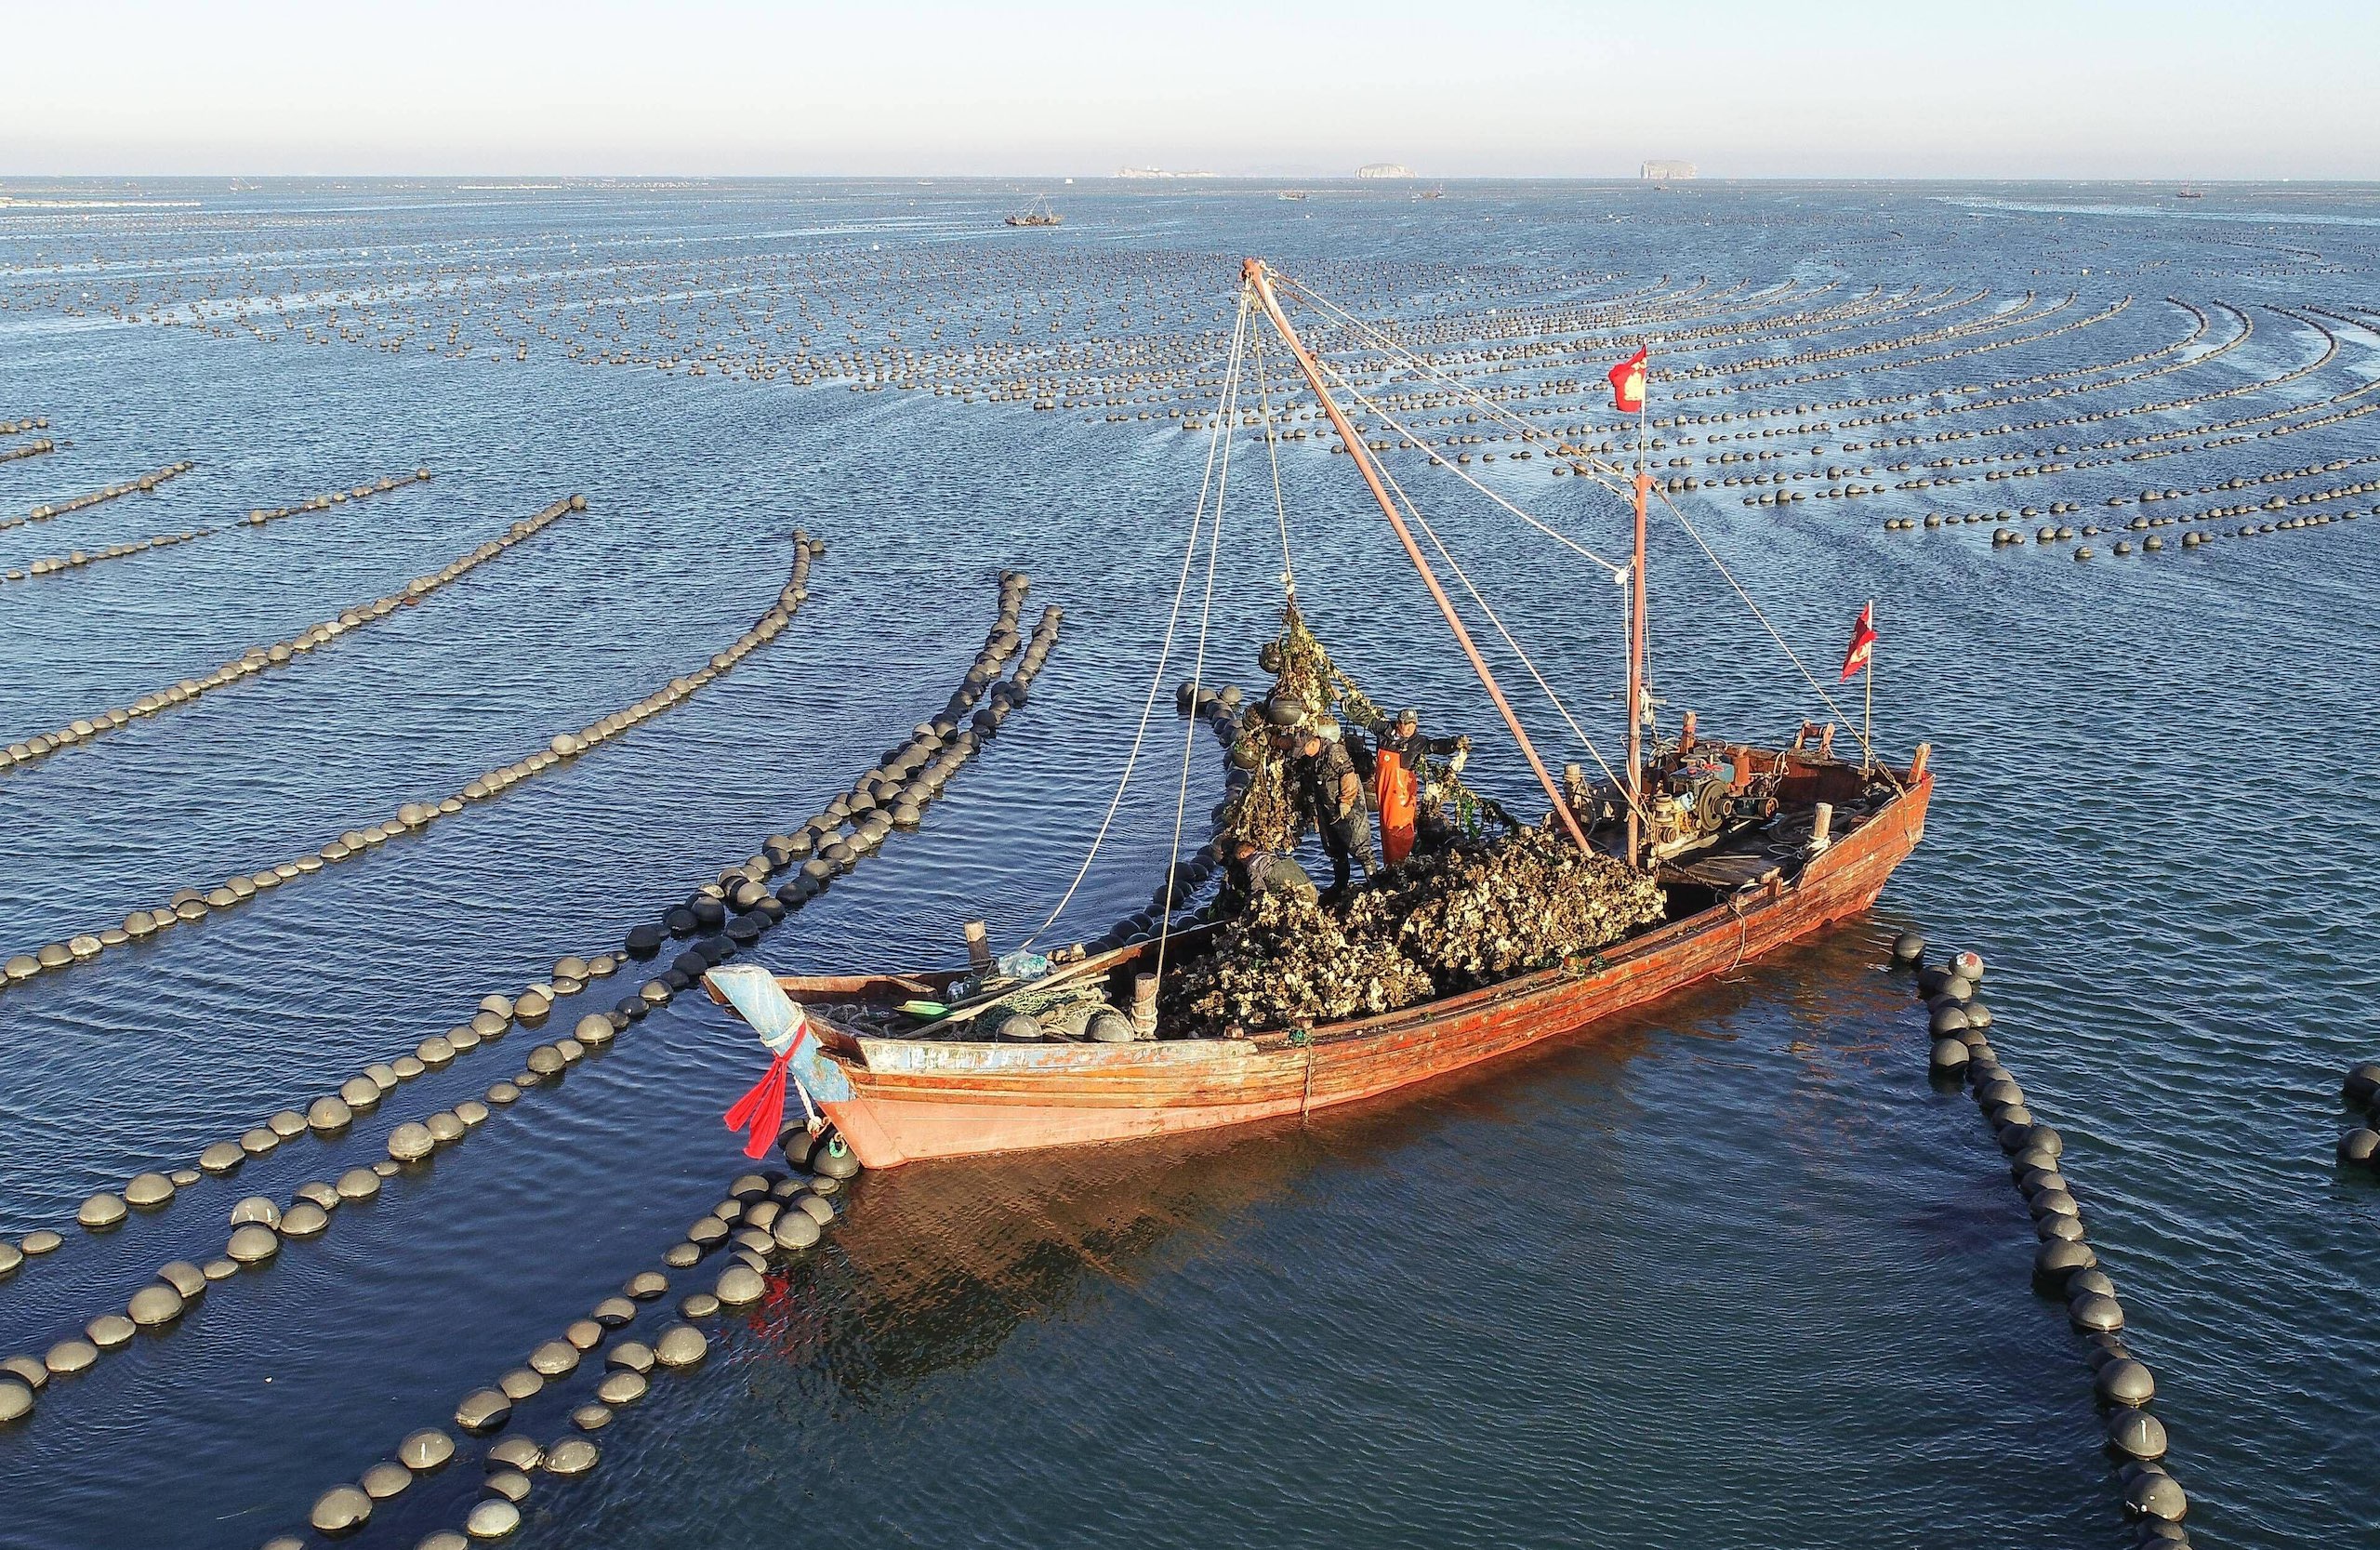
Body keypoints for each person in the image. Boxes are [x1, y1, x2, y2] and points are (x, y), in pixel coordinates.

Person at [1291, 717, 1374, 901]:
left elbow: (1348, 774)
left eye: (1303, 750)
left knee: (1359, 845)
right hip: (1326, 807)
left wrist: (1346, 800)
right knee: (1334, 848)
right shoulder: (1311, 758)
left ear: (1312, 743)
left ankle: (1373, 882)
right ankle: (1340, 885)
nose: (1302, 754)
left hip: (1349, 807)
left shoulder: (1333, 750)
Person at [1373, 709, 1467, 866]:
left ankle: (1400, 863)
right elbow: (1365, 719)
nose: (1410, 729)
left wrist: (1453, 744)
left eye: (1413, 725)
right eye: (1406, 725)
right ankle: (1389, 864)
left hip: (1401, 793)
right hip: (1383, 789)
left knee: (1400, 830)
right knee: (1386, 830)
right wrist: (1344, 702)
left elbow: (1435, 746)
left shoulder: (1418, 742)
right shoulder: (1385, 731)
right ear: (1398, 724)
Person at [1218, 837, 1318, 914]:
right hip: (1313, 891)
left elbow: (1258, 890)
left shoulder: (1252, 865)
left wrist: (1250, 905)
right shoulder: (1269, 855)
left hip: (1300, 899)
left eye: (1240, 860)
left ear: (1243, 855)